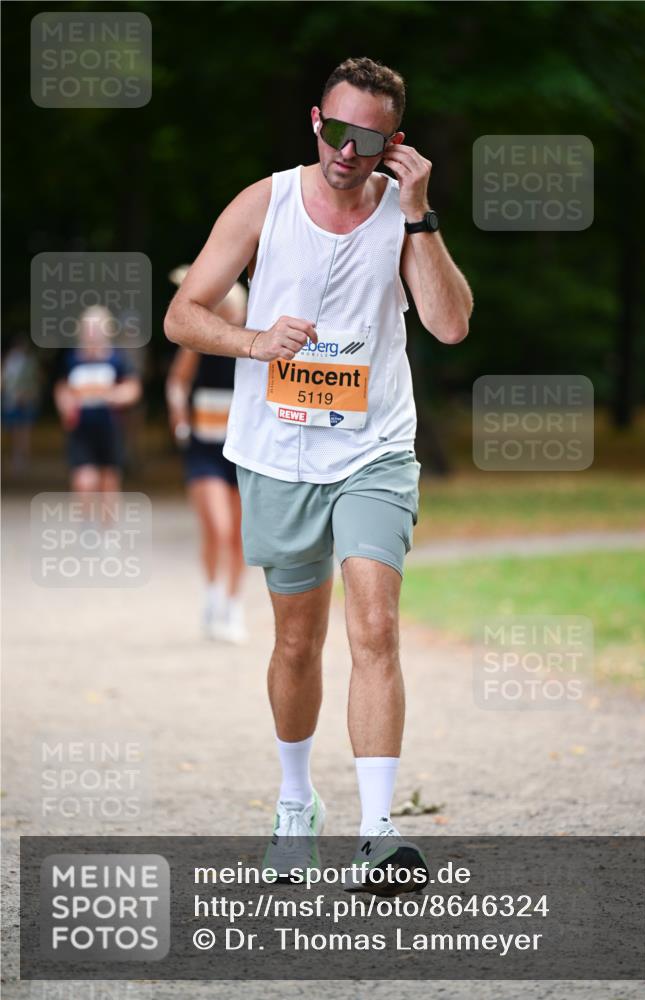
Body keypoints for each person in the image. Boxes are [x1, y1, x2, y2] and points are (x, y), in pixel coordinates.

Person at [164, 56, 472, 893]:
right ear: (315, 121)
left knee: (374, 625)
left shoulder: (404, 216)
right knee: (297, 643)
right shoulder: (264, 203)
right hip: (279, 453)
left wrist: (419, 214)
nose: (347, 150)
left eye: (368, 138)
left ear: (393, 144)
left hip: (374, 449)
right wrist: (253, 342)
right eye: (336, 130)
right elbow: (183, 314)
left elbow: (448, 325)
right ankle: (296, 803)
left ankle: (378, 834)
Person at [166, 272, 248, 642]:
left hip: (242, 451)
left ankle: (233, 604)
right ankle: (213, 595)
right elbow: (177, 382)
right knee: (218, 527)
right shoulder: (200, 344)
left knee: (240, 535)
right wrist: (180, 416)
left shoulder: (255, 343)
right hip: (205, 448)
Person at [54, 305, 141, 497]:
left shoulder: (118, 359)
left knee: (108, 483)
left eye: (97, 327)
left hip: (110, 428)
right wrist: (65, 405)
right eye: (88, 328)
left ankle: (106, 517)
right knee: (84, 481)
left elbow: (133, 388)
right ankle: (86, 516)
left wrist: (113, 396)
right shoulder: (71, 359)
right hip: (81, 429)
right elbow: (62, 388)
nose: (92, 333)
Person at [1, 334, 41, 475]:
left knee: (24, 429)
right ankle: (17, 456)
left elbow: (34, 380)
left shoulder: (29, 362)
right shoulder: (9, 361)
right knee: (16, 429)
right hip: (12, 400)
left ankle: (23, 458)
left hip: (25, 399)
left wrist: (28, 394)